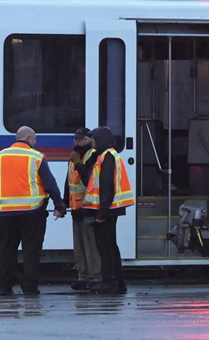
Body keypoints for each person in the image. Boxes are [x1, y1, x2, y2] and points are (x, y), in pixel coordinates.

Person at [0, 125, 65, 297]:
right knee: (31, 251)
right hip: (32, 213)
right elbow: (50, 184)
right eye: (34, 139)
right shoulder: (36, 157)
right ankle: (30, 287)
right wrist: (59, 205)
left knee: (6, 250)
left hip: (6, 214)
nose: (35, 142)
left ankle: (4, 287)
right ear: (28, 138)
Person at [83, 126, 134, 295]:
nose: (92, 141)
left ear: (101, 139)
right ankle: (119, 282)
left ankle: (109, 282)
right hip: (110, 209)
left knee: (105, 247)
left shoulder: (107, 157)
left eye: (94, 138)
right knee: (111, 246)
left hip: (106, 210)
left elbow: (106, 186)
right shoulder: (107, 156)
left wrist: (101, 212)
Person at [66, 127, 101, 291]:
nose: (76, 142)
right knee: (79, 246)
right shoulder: (74, 157)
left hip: (88, 207)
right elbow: (69, 183)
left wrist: (78, 163)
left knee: (91, 245)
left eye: (80, 139)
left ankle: (95, 276)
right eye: (75, 139)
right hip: (76, 207)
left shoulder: (92, 155)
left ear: (89, 139)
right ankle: (83, 276)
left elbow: (89, 179)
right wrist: (64, 204)